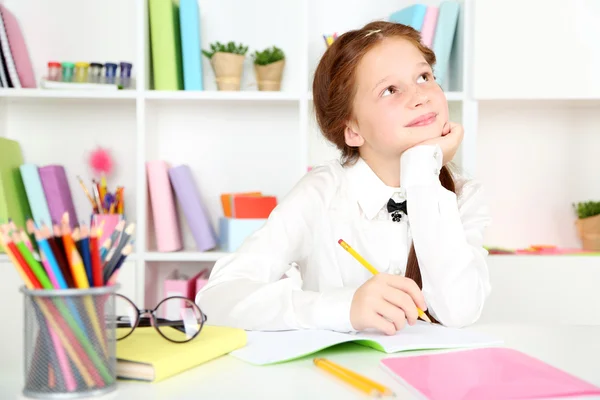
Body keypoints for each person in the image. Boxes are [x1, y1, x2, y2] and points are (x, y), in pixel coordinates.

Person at [195, 20, 491, 335]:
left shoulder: (464, 196)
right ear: (352, 129)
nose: (421, 96)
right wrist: (342, 307)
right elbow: (217, 299)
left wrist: (422, 171)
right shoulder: (322, 192)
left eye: (424, 76)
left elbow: (459, 310)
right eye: (389, 90)